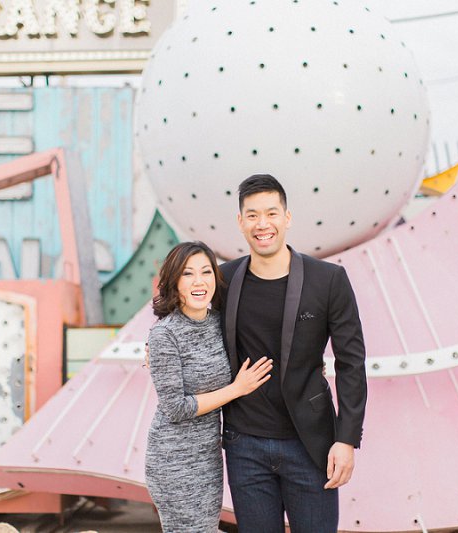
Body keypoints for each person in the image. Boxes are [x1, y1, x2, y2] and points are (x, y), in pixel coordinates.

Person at [220, 174, 367, 533]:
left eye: (271, 213)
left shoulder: (328, 280)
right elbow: (184, 312)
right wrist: (157, 341)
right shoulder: (223, 280)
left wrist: (346, 439)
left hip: (310, 444)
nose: (262, 224)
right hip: (244, 445)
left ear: (287, 218)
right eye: (252, 215)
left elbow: (351, 363)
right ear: (240, 223)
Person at [145, 241, 274, 533]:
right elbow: (175, 408)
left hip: (208, 456)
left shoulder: (220, 323)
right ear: (174, 281)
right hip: (173, 459)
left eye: (206, 272)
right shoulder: (165, 335)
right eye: (188, 274)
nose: (199, 281)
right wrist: (237, 389)